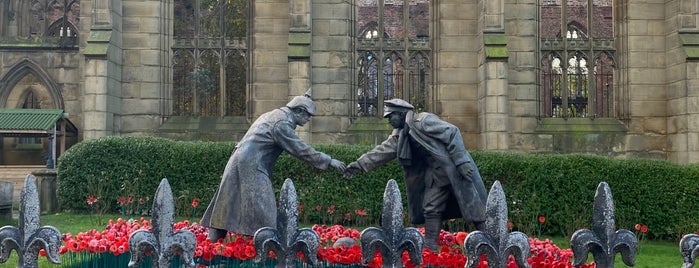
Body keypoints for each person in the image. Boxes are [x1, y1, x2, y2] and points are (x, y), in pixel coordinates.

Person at [201, 89, 346, 241]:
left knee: (227, 204)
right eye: (308, 115)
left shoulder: (273, 114)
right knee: (264, 212)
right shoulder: (281, 124)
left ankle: (212, 251)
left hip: (237, 161)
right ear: (298, 111)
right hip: (252, 166)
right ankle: (262, 254)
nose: (309, 119)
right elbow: (300, 149)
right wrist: (329, 160)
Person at [343, 98, 487, 251]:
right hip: (436, 175)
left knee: (473, 207)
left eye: (391, 116)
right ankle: (430, 246)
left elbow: (452, 132)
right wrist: (359, 165)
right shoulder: (401, 133)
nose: (389, 120)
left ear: (401, 114)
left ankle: (489, 240)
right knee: (431, 207)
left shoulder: (423, 121)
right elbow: (382, 151)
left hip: (454, 169)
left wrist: (462, 162)